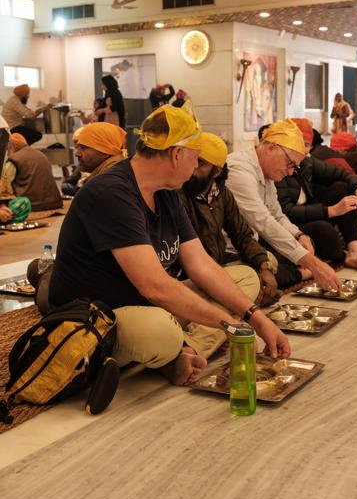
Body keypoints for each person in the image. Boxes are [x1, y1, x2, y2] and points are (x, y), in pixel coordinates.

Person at [49, 105, 290, 387]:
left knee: (244, 278)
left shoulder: (167, 192)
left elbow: (200, 264)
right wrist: (228, 324)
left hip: (150, 304)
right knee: (161, 332)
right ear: (177, 154)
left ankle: (184, 354)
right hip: (98, 319)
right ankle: (174, 350)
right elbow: (156, 287)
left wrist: (255, 316)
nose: (194, 167)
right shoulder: (111, 193)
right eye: (195, 158)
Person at [226, 119, 341, 291]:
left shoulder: (266, 172)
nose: (290, 172)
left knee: (303, 248)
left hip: (254, 246)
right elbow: (263, 221)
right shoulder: (239, 170)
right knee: (263, 278)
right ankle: (299, 274)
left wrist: (299, 235)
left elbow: (277, 215)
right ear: (271, 147)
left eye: (294, 168)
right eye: (290, 164)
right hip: (231, 252)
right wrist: (314, 265)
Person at [180, 132, 279, 305]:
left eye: (200, 163)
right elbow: (191, 259)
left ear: (217, 171)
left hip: (218, 265)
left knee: (266, 261)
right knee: (248, 280)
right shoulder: (179, 195)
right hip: (193, 273)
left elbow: (242, 235)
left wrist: (263, 265)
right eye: (192, 161)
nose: (192, 168)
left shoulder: (222, 194)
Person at [276, 118, 357, 271]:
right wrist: (330, 211)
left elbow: (341, 174)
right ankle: (344, 256)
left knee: (343, 189)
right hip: (289, 223)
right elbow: (284, 212)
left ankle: (356, 250)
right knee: (324, 230)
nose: (302, 149)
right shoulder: (278, 166)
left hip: (310, 211)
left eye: (306, 145)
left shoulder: (306, 161)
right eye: (298, 144)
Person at [61, 123, 126, 196]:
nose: (77, 154)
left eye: (83, 147)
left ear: (106, 152)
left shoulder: (107, 184)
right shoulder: (115, 173)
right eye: (77, 147)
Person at [3, 133, 62, 211]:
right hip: (53, 203)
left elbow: (5, 184)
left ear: (12, 146)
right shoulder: (41, 154)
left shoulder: (14, 159)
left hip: (30, 205)